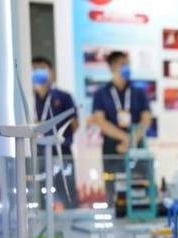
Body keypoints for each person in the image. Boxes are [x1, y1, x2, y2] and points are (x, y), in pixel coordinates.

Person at [92, 51, 151, 204]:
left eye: (127, 64)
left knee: (140, 186)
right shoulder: (101, 93)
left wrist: (132, 140)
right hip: (112, 146)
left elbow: (146, 119)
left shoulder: (139, 92)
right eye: (122, 64)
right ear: (112, 67)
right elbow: (100, 120)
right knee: (114, 190)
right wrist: (125, 138)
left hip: (137, 144)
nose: (126, 67)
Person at [32, 56, 79, 208]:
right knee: (39, 193)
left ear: (51, 72)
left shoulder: (63, 97)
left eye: (42, 68)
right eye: (34, 69)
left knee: (67, 191)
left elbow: (74, 124)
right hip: (38, 152)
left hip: (61, 151)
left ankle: (70, 219)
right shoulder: (29, 98)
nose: (38, 71)